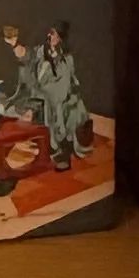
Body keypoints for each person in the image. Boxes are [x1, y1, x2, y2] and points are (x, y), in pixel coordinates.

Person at [28, 22, 94, 172]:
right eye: (50, 33)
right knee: (48, 107)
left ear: (61, 38)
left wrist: (63, 93)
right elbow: (37, 77)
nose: (50, 36)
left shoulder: (66, 58)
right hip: (45, 94)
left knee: (66, 111)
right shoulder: (41, 53)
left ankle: (63, 153)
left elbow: (67, 80)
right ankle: (52, 149)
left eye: (54, 34)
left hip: (62, 96)